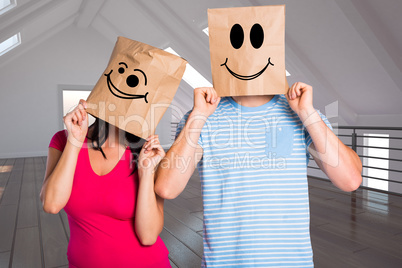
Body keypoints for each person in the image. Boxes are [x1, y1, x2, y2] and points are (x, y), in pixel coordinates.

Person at [154, 82, 362, 267]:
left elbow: (350, 179)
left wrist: (307, 113)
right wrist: (198, 117)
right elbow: (167, 187)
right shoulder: (203, 115)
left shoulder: (301, 111)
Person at [40, 100, 170, 268]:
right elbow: (51, 205)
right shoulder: (64, 140)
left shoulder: (147, 151)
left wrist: (146, 172)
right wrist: (75, 142)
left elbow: (148, 236)